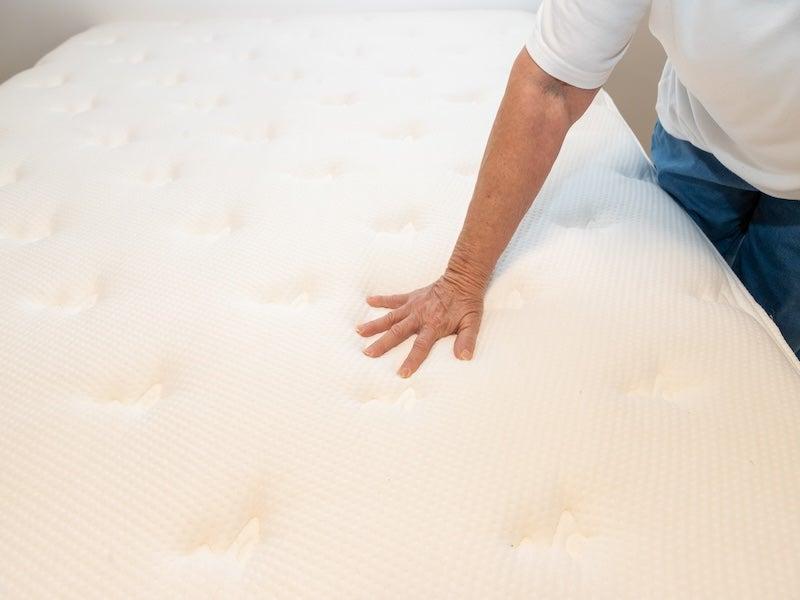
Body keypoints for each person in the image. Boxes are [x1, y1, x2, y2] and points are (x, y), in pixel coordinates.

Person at [356, 0, 800, 377]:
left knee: (771, 365)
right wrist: (461, 280)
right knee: (683, 325)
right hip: (698, 135)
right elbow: (550, 85)